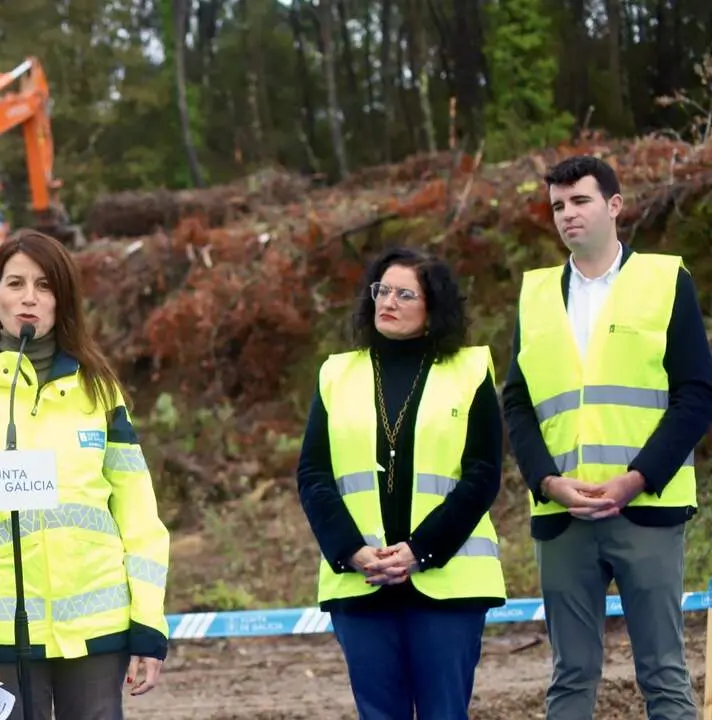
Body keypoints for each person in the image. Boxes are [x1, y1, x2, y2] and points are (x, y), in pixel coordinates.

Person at [0, 229, 170, 720]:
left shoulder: (100, 393)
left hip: (98, 633)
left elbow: (140, 516)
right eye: (15, 283)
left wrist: (149, 623)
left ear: (62, 301)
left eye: (45, 285)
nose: (29, 297)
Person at [502, 155, 712, 719]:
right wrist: (547, 481)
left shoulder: (666, 281)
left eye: (580, 201)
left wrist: (637, 478)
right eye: (557, 206)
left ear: (614, 205)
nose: (567, 215)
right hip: (563, 516)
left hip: (646, 508)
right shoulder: (537, 294)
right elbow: (517, 401)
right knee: (570, 677)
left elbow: (696, 394)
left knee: (664, 673)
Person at [295, 246, 507, 719]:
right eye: (381, 290)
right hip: (361, 580)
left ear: (433, 308)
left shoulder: (470, 370)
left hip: (446, 583)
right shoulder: (336, 374)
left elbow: (482, 475)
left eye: (404, 294)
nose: (387, 302)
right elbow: (313, 475)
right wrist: (352, 550)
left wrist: (421, 550)